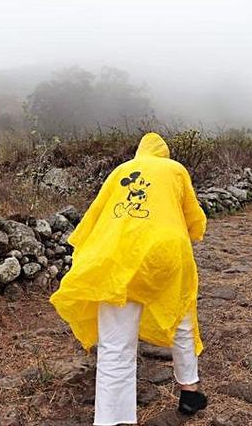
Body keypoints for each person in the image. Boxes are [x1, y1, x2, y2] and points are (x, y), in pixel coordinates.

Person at [50, 132, 208, 425]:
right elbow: (194, 219)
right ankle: (190, 392)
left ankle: (110, 420)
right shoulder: (174, 169)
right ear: (164, 154)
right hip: (164, 253)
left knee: (115, 345)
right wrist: (191, 232)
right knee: (181, 319)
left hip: (115, 258)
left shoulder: (120, 171)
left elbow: (94, 216)